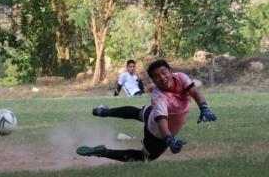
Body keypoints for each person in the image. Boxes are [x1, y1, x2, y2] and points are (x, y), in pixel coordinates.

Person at [76, 59, 217, 162]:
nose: (162, 77)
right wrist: (170, 140)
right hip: (157, 132)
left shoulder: (180, 77)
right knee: (146, 157)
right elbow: (162, 123)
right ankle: (103, 152)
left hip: (152, 114)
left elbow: (194, 91)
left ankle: (105, 111)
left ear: (171, 72)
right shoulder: (159, 97)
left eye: (164, 72)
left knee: (139, 113)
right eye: (157, 76)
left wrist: (204, 108)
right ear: (153, 82)